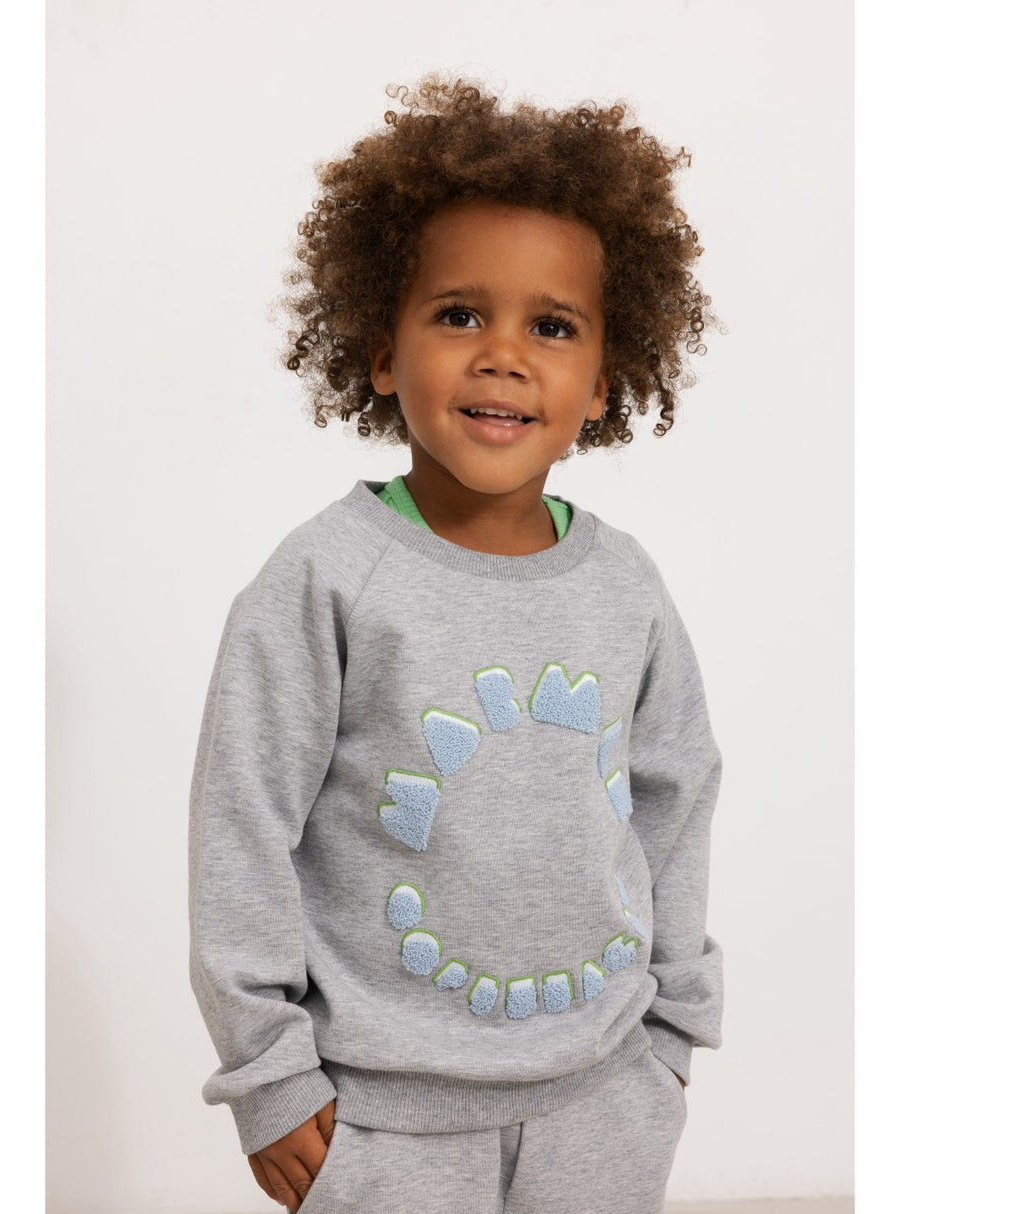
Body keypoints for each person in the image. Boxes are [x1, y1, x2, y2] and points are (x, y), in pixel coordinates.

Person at [189, 74, 725, 1214]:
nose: (503, 356)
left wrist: (674, 1033)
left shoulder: (625, 583)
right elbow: (242, 824)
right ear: (382, 352)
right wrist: (268, 1074)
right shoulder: (326, 577)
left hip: (605, 1096)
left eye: (551, 326)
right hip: (381, 1117)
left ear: (603, 379)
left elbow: (676, 799)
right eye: (458, 314)